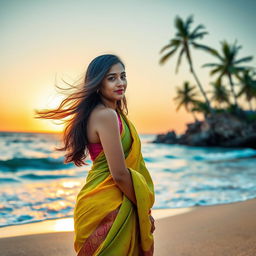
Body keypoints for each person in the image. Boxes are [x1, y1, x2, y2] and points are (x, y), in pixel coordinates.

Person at [34, 54, 155, 255]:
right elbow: (120, 174)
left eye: (123, 76)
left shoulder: (110, 114)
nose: (120, 83)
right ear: (98, 83)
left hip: (102, 200)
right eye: (111, 78)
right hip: (108, 205)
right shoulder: (105, 116)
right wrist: (144, 210)